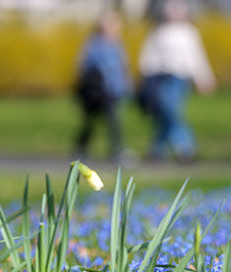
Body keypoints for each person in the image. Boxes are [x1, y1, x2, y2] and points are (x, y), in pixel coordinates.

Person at [138, 0, 216, 162]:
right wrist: (144, 76)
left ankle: (173, 148)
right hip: (161, 78)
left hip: (180, 79)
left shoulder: (190, 33)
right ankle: (177, 147)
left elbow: (197, 57)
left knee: (172, 112)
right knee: (168, 112)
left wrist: (205, 78)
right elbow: (148, 56)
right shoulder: (159, 32)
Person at [75, 11, 131, 161]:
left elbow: (123, 67)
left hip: (113, 90)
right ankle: (81, 147)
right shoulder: (94, 44)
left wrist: (127, 85)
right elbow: (84, 65)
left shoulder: (117, 44)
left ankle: (116, 149)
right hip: (97, 90)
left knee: (113, 120)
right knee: (90, 121)